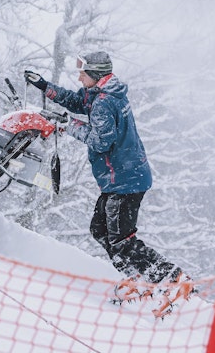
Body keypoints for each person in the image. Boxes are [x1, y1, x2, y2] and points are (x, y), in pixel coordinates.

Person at [24, 52, 187, 288]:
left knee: (121, 240)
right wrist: (45, 87)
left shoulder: (103, 102)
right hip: (124, 178)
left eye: (83, 73)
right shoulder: (101, 93)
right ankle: (137, 279)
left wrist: (69, 125)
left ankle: (172, 280)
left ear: (95, 74)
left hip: (125, 180)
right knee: (99, 229)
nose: (79, 78)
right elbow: (76, 101)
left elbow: (100, 142)